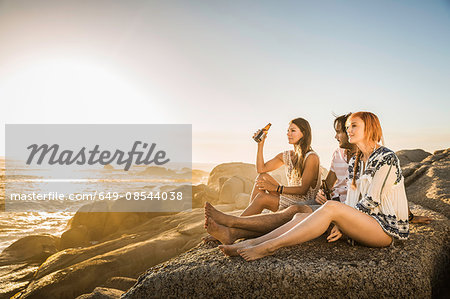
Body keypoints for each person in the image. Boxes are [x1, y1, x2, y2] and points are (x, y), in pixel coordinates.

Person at [220, 111, 411, 261]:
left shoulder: (386, 158)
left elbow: (372, 200)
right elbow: (353, 200)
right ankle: (252, 243)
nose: (348, 130)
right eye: (347, 127)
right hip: (363, 224)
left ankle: (270, 247)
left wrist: (343, 223)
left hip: (385, 229)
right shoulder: (357, 161)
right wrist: (344, 221)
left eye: (354, 126)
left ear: (369, 128)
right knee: (299, 216)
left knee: (331, 207)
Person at [204, 116, 334, 245]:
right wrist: (261, 145)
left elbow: (303, 189)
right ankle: (246, 222)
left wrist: (275, 188)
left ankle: (232, 227)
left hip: (305, 201)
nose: (288, 134)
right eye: (287, 131)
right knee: (262, 177)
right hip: (292, 196)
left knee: (262, 198)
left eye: (293, 130)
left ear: (304, 133)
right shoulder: (287, 155)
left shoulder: (311, 157)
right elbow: (261, 169)